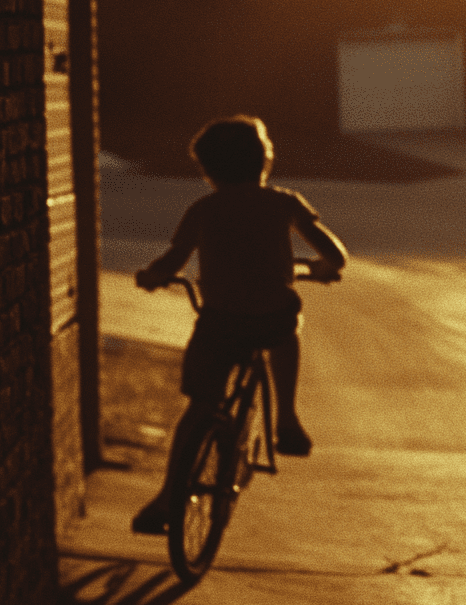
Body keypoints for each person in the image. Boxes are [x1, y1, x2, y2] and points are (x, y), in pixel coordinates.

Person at [130, 115, 347, 535]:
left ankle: (165, 500)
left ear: (207, 170)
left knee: (199, 408)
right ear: (265, 161)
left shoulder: (203, 209)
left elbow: (173, 259)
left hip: (220, 324)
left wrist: (152, 277)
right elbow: (334, 255)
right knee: (287, 322)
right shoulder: (285, 203)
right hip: (269, 318)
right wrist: (319, 267)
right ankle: (287, 418)